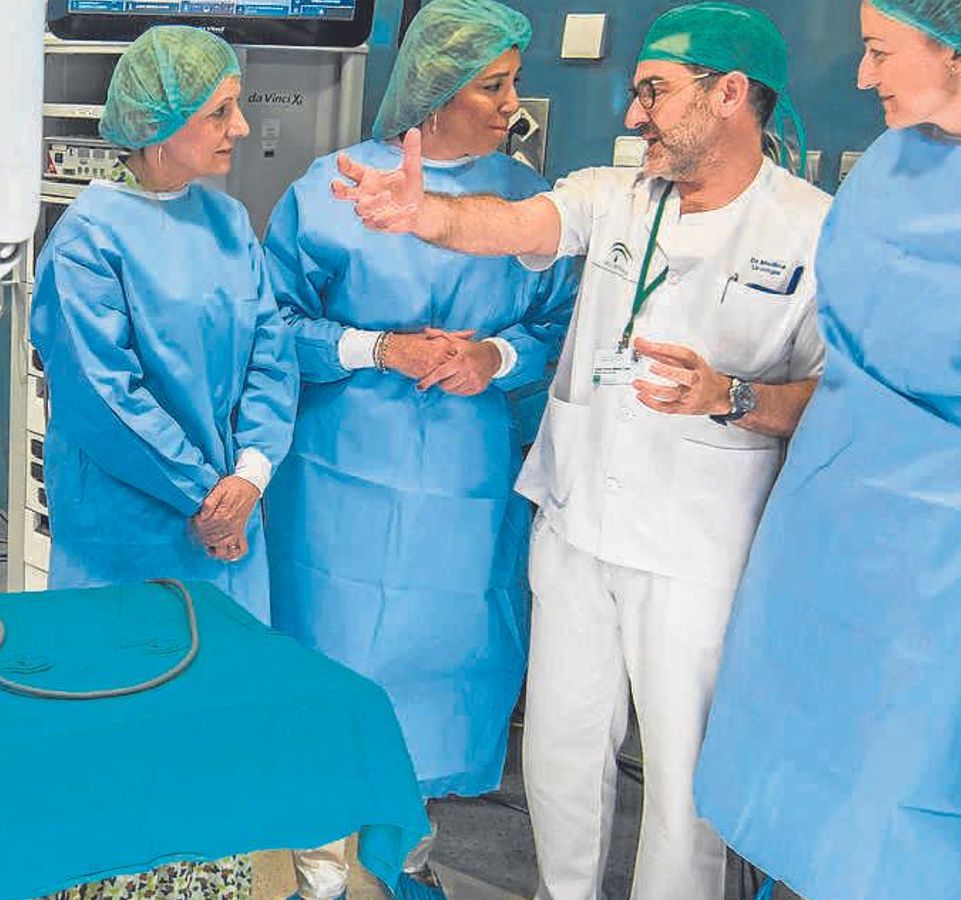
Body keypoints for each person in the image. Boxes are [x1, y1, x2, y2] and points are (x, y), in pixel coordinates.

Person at [330, 4, 832, 898]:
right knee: (561, 751)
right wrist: (424, 216)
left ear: (730, 94)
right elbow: (512, 225)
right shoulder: (613, 193)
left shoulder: (813, 231)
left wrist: (734, 395)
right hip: (575, 523)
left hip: (697, 548)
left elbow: (834, 403)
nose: (634, 115)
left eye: (655, 93)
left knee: (683, 778)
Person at [692, 2, 961, 900]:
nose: (860, 75)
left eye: (880, 51)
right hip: (824, 529)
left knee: (913, 813)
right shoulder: (893, 159)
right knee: (793, 782)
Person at [260, 1, 578, 897]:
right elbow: (274, 323)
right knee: (332, 649)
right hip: (335, 478)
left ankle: (406, 853)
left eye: (514, 81)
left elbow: (560, 331)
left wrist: (494, 355)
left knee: (445, 656)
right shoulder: (334, 191)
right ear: (435, 89)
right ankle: (320, 860)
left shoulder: (526, 205)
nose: (512, 102)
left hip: (468, 481)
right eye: (494, 83)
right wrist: (378, 348)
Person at [28, 26, 298, 899]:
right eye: (220, 110)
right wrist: (202, 492)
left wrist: (249, 475)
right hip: (131, 533)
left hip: (228, 525)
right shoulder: (89, 238)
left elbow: (271, 350)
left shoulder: (228, 220)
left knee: (215, 723)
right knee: (123, 730)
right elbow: (103, 399)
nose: (242, 126)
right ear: (160, 122)